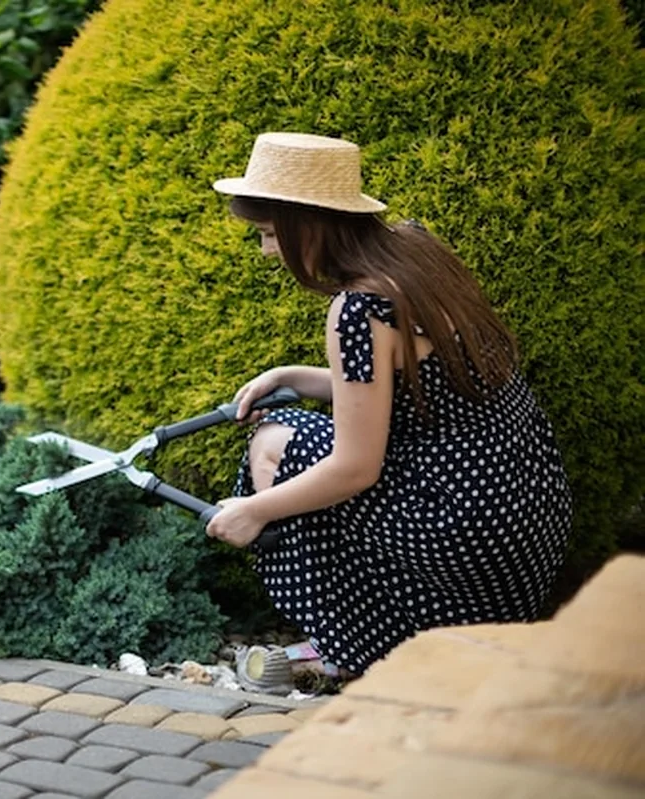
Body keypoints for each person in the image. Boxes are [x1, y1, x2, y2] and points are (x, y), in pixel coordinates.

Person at [205, 132, 572, 684]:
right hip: (524, 522)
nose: (266, 251)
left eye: (267, 233)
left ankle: (361, 644)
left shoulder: (358, 308)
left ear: (305, 223)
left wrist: (255, 511)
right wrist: (292, 376)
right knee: (300, 439)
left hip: (462, 531)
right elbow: (415, 381)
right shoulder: (416, 253)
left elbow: (356, 468)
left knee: (277, 446)